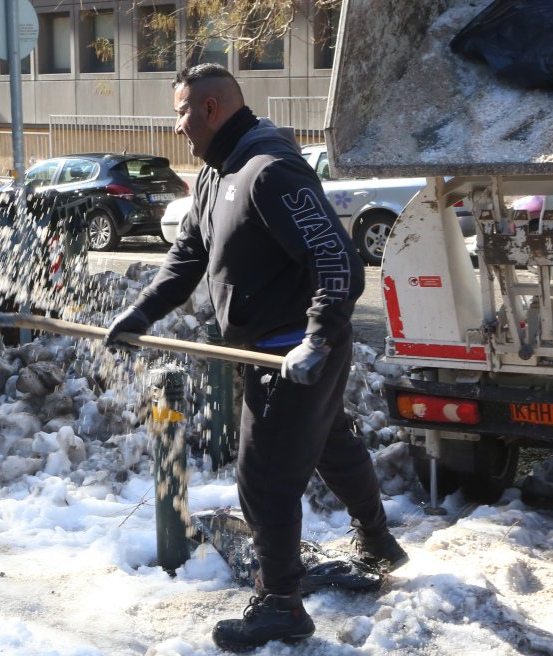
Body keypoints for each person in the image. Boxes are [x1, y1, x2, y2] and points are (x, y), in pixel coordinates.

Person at [104, 63, 408, 651]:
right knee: (329, 442)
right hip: (270, 350)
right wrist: (141, 312)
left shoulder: (269, 171)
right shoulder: (216, 177)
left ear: (212, 109)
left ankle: (281, 605)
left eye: (181, 113)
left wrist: (317, 338)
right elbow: (187, 259)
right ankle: (377, 539)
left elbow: (339, 260)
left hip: (293, 352)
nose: (176, 128)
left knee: (263, 477)